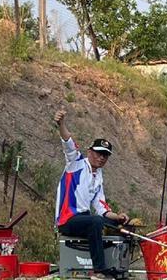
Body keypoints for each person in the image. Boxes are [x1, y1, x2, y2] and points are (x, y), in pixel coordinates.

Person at [53, 110, 130, 280]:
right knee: (95, 221)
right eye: (98, 153)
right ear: (89, 152)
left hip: (85, 219)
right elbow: (68, 143)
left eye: (105, 155)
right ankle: (99, 270)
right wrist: (61, 124)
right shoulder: (76, 163)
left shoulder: (99, 177)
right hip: (68, 220)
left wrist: (118, 217)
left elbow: (101, 207)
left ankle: (118, 265)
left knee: (115, 223)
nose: (101, 158)